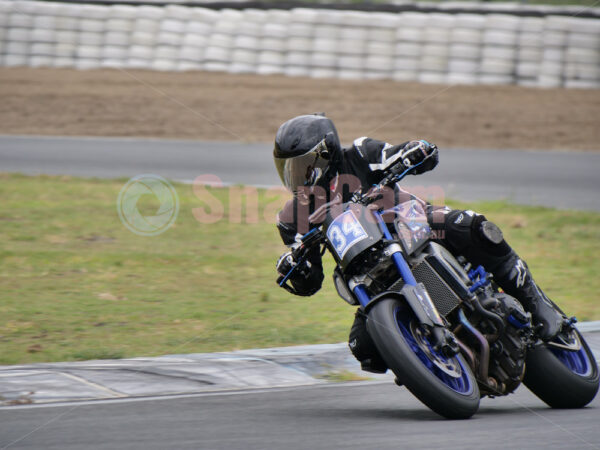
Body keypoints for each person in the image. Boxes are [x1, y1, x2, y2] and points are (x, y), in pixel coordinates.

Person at [273, 113, 566, 373]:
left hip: (415, 225)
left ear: (326, 155)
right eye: (288, 169)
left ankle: (537, 304)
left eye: (302, 167)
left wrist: (415, 152)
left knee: (475, 227)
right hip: (368, 275)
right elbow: (310, 279)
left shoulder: (360, 155)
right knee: (364, 348)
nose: (296, 177)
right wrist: (295, 266)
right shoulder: (292, 216)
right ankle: (429, 362)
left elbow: (402, 154)